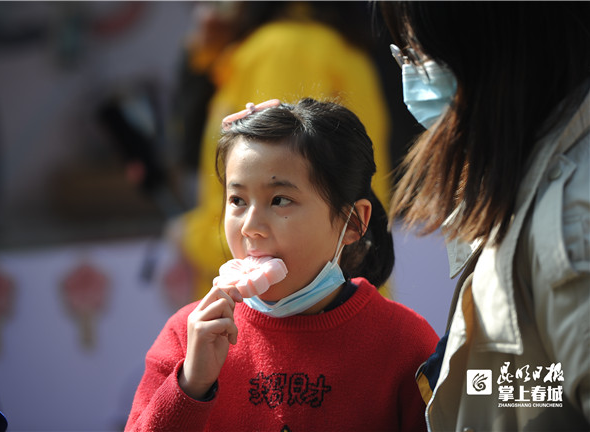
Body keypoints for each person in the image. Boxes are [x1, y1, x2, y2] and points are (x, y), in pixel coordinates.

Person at [125, 98, 439, 431]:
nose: (250, 227)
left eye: (280, 200)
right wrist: (191, 385)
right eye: (237, 200)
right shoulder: (187, 335)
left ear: (351, 222)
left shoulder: (404, 342)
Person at [378, 2, 590, 430]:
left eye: (417, 51)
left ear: (490, 47)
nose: (409, 72)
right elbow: (540, 386)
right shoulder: (517, 174)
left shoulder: (570, 221)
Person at [167, 2, 393, 302]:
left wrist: (193, 239)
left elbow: (278, 200)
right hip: (327, 300)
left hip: (296, 307)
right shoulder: (326, 44)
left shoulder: (283, 50)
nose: (205, 10)